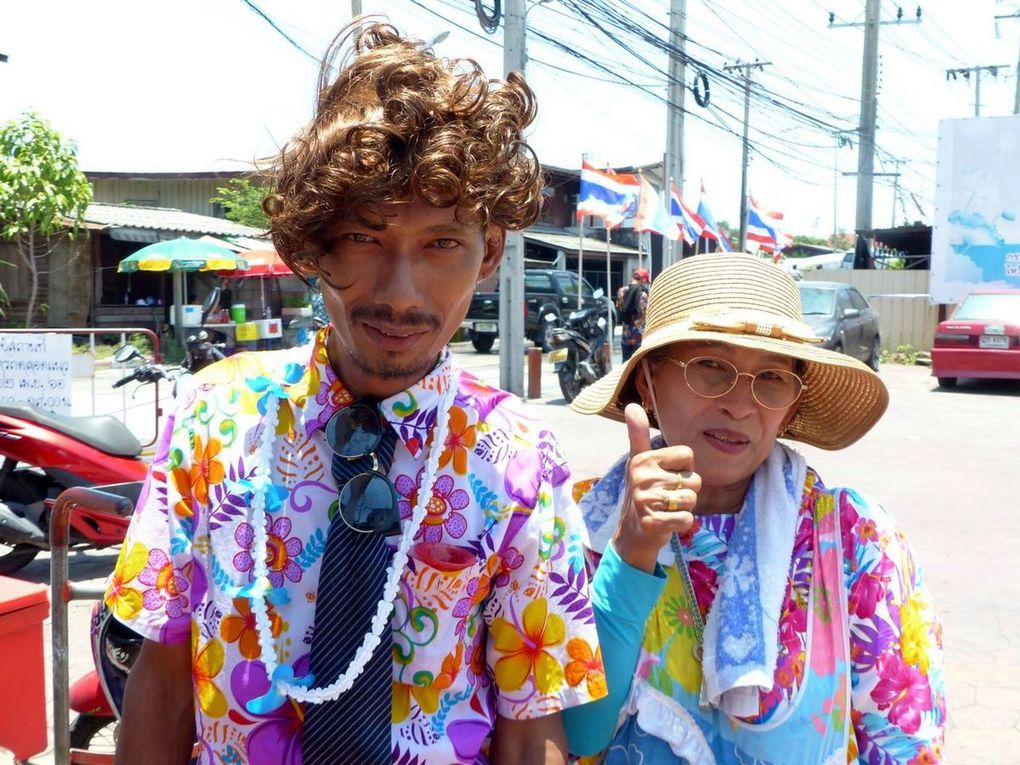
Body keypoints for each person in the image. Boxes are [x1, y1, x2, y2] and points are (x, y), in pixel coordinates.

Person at [107, 22, 605, 765]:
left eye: (442, 243)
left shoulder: (522, 461)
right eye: (364, 238)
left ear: (490, 252)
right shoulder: (213, 423)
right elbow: (163, 679)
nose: (400, 294)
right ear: (312, 240)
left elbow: (530, 724)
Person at [562, 253, 946, 762]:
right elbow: (577, 736)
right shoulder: (578, 526)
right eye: (710, 367)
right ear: (648, 382)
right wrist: (630, 553)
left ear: (791, 407)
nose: (740, 405)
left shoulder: (854, 540)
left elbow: (904, 745)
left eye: (771, 377)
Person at [618, 267, 650, 362]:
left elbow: (620, 307)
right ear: (643, 279)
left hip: (625, 334)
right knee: (638, 364)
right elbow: (644, 312)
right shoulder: (643, 294)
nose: (645, 284)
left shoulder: (621, 291)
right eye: (646, 282)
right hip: (638, 335)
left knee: (625, 363)